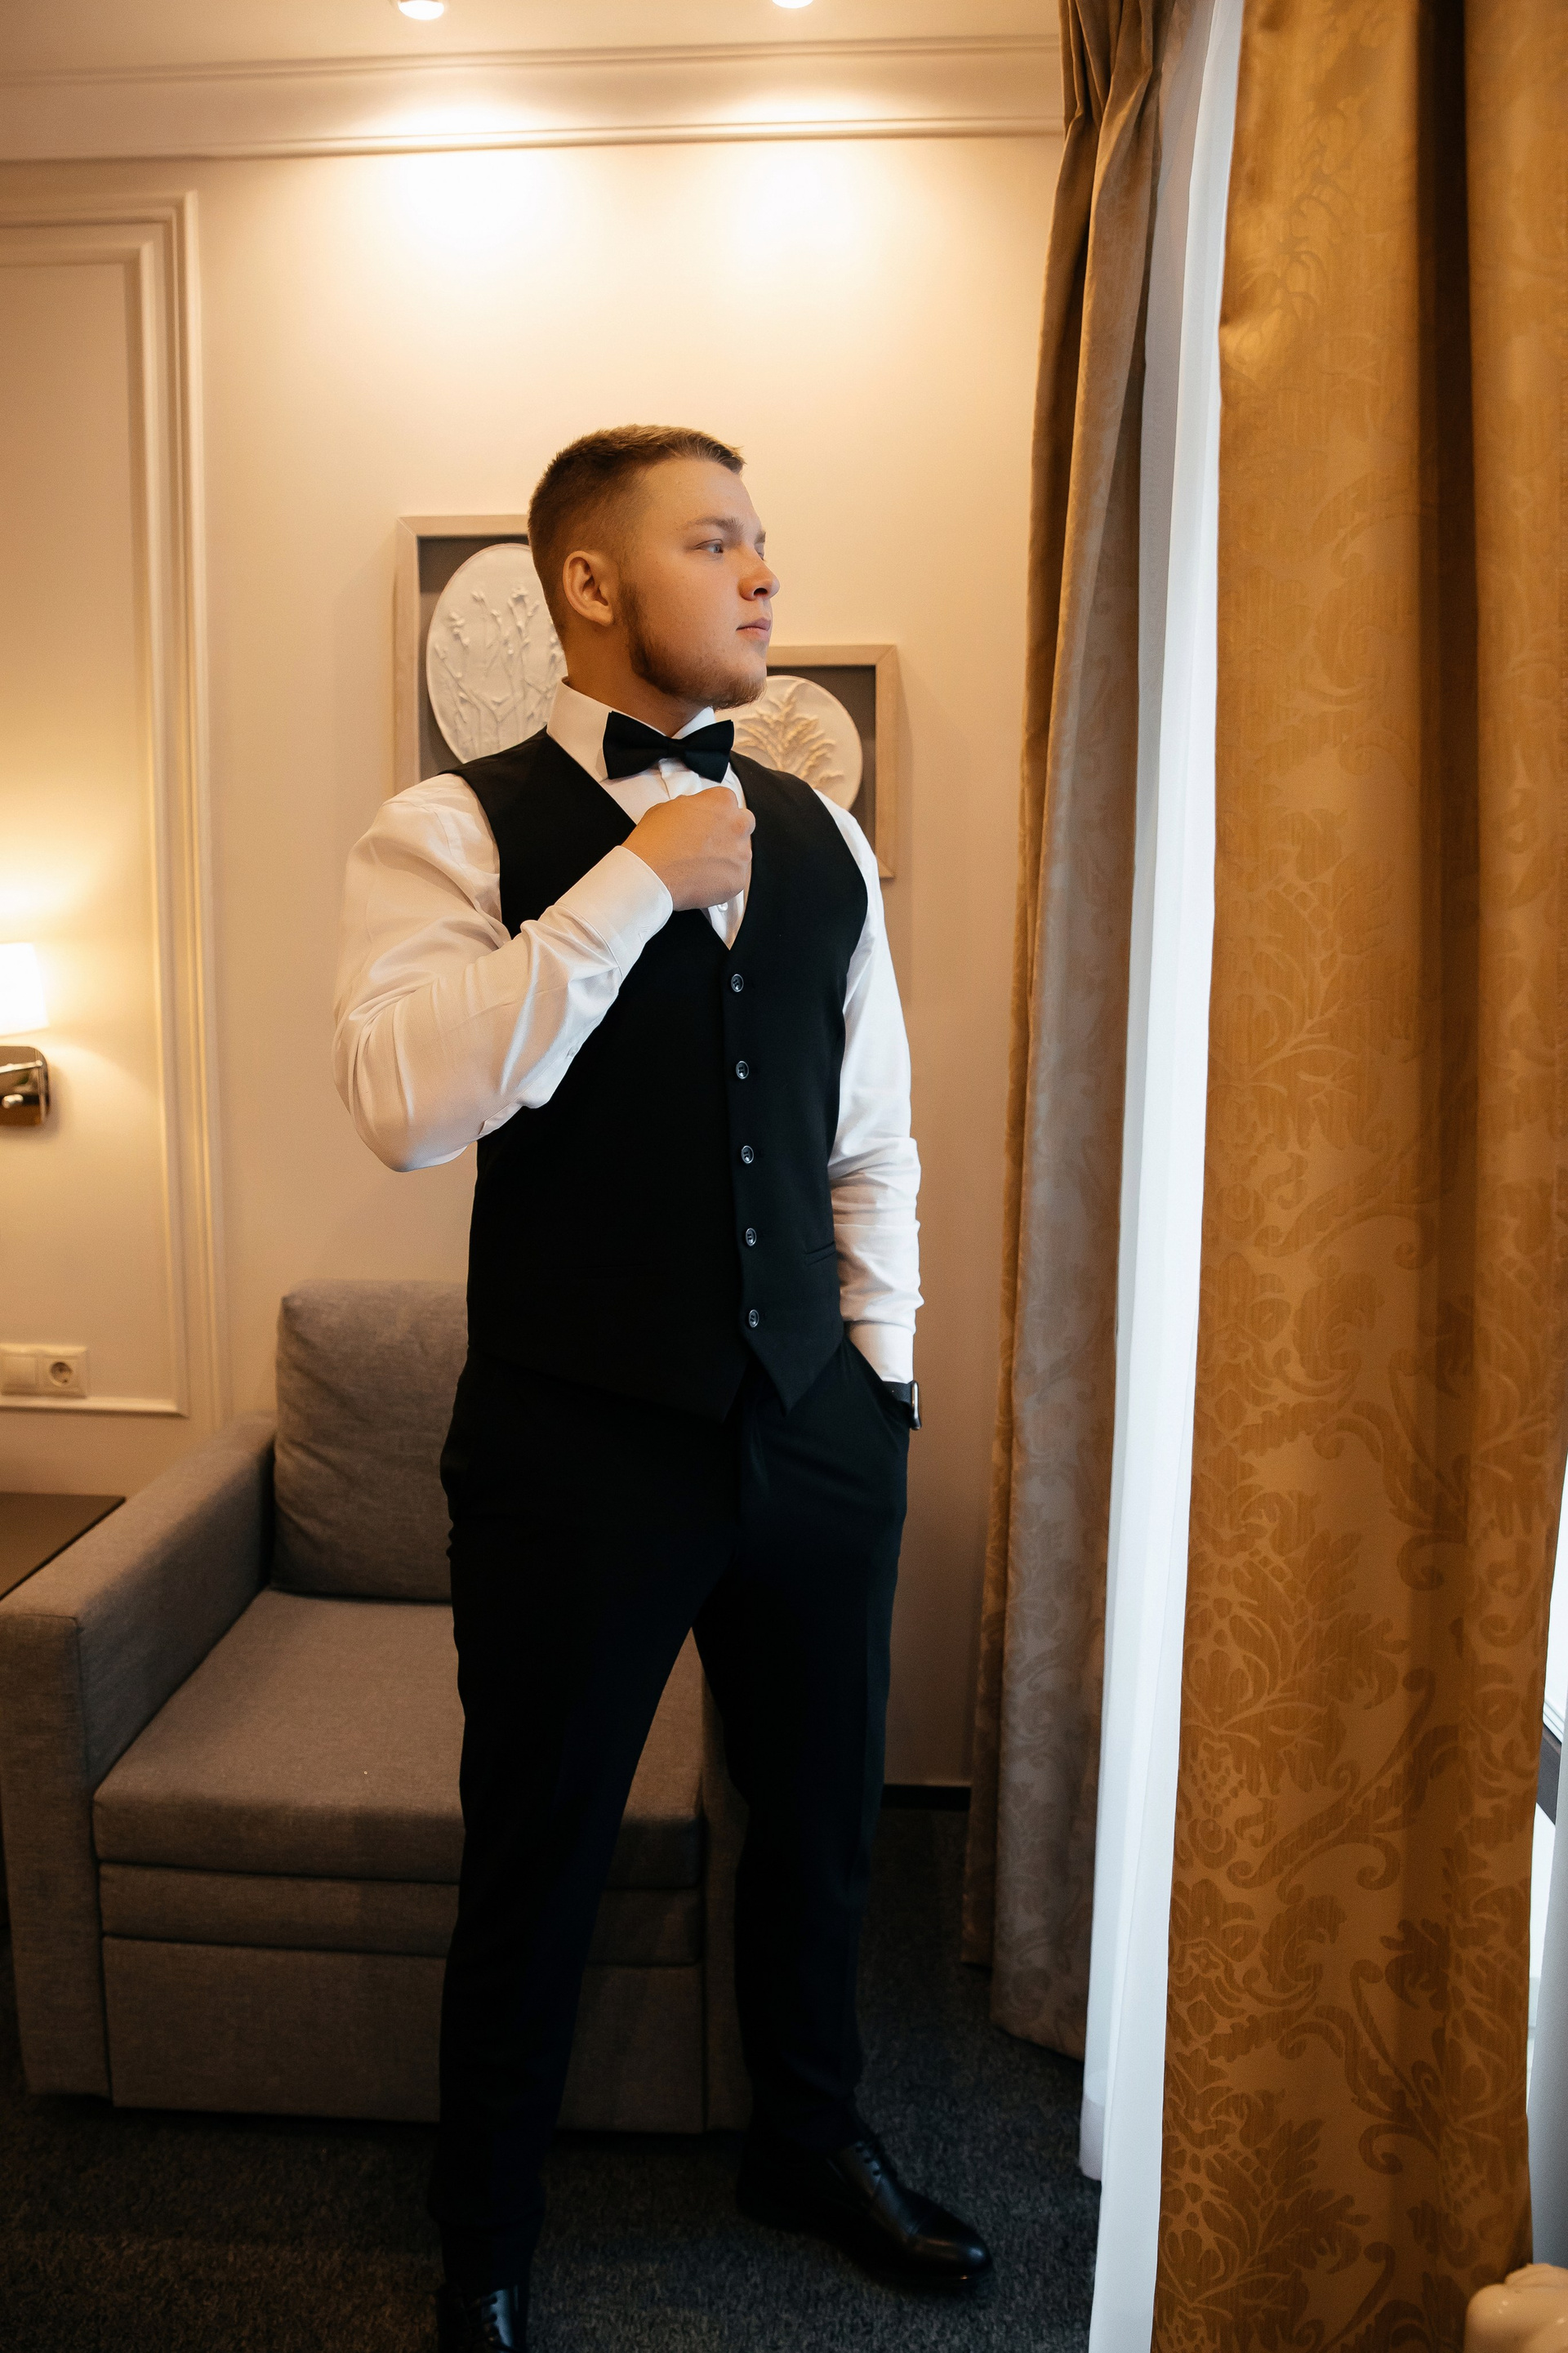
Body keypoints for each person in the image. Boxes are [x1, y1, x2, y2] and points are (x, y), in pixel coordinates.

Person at [333, 425, 991, 2352]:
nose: (764, 572)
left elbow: (868, 1134)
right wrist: (626, 884)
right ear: (592, 581)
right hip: (574, 1445)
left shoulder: (825, 840)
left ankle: (811, 2139)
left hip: (814, 1432)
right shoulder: (447, 832)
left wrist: (883, 1384)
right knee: (538, 1847)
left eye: (765, 539)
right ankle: (488, 2235)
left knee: (825, 1828)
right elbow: (403, 1106)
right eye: (716, 541)